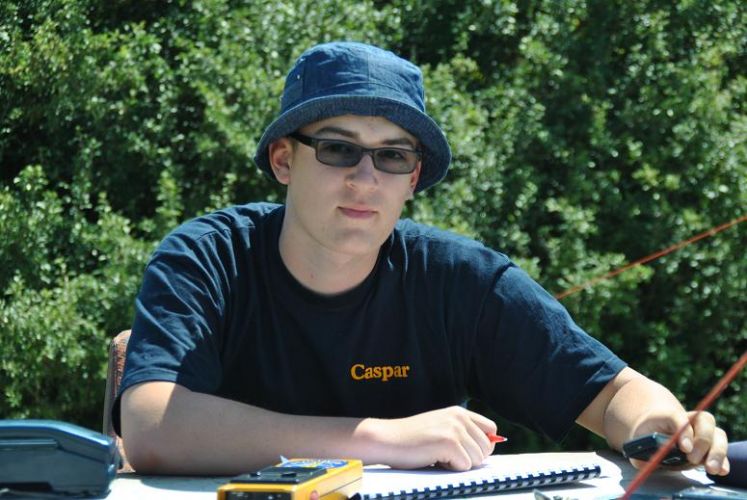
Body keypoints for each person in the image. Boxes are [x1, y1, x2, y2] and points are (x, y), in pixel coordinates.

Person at [114, 41, 730, 477]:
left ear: (412, 179)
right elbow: (152, 427)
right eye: (337, 149)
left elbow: (616, 394)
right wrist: (383, 440)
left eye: (392, 157)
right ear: (283, 160)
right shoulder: (208, 257)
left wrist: (662, 429)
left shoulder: (461, 281)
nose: (365, 179)